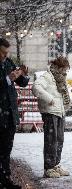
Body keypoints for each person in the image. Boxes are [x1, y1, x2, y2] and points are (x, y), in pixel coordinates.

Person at [32, 56, 71, 178]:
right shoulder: (47, 76)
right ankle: (49, 167)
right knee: (51, 141)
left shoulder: (61, 79)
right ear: (59, 67)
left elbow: (65, 93)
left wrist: (69, 100)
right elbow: (36, 87)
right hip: (50, 112)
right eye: (64, 69)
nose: (66, 72)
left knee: (59, 139)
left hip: (60, 112)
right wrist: (49, 98)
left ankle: (56, 165)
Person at [0, 38, 29, 189]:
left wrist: (23, 73)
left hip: (10, 113)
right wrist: (8, 79)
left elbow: (22, 83)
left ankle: (5, 180)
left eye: (6, 53)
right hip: (1, 111)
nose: (5, 56)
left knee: (7, 149)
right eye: (2, 53)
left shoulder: (8, 62)